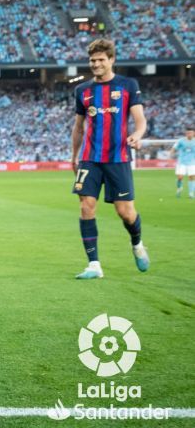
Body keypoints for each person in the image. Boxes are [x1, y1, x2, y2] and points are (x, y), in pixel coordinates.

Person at [70, 39, 149, 280]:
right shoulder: (82, 90)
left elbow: (140, 120)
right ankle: (94, 264)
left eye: (101, 60)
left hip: (118, 158)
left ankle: (136, 243)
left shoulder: (127, 85)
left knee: (125, 212)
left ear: (111, 60)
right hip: (90, 158)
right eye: (92, 60)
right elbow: (79, 127)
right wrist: (74, 156)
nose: (96, 64)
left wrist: (136, 135)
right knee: (86, 206)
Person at [172, 128, 195, 199]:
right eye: (188, 133)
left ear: (193, 133)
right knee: (180, 177)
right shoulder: (181, 141)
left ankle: (191, 193)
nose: (189, 134)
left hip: (192, 162)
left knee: (192, 177)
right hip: (181, 162)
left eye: (190, 133)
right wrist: (171, 154)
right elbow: (174, 148)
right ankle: (179, 188)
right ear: (186, 133)